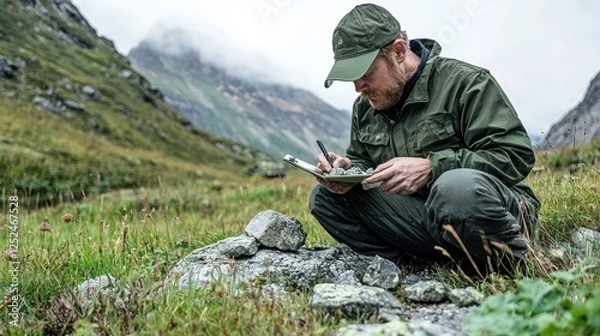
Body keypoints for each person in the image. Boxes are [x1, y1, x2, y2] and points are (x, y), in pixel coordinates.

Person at [309, 3, 540, 274]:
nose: (359, 87)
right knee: (325, 198)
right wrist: (348, 170)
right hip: (422, 220)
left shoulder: (466, 83)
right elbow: (364, 161)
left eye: (366, 74)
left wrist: (432, 168)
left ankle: (516, 265)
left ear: (398, 52)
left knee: (454, 189)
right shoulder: (366, 105)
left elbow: (515, 155)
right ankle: (413, 269)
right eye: (352, 79)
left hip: (490, 212)